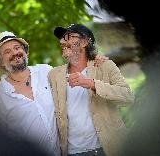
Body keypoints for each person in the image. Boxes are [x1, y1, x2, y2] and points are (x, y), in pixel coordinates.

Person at [0, 31, 108, 156]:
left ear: (25, 51)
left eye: (17, 47)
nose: (14, 53)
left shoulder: (45, 71)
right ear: (1, 61)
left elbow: (77, 82)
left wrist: (94, 62)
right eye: (7, 52)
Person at [48, 24, 135, 156]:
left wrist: (92, 84)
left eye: (68, 37)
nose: (62, 41)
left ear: (84, 42)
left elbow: (128, 97)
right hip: (72, 152)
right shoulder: (54, 75)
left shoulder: (105, 66)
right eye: (62, 38)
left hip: (107, 149)